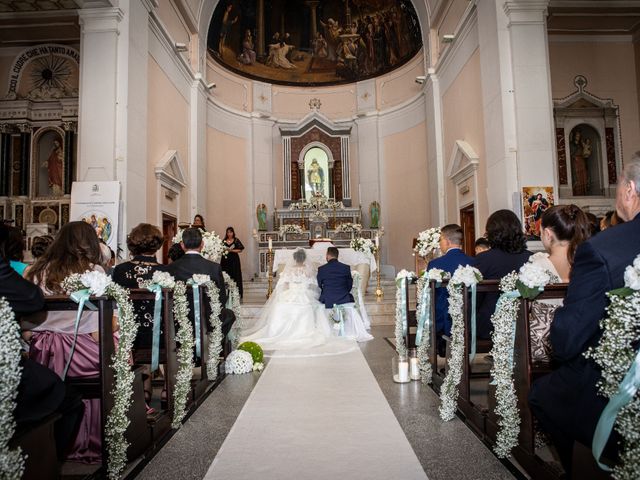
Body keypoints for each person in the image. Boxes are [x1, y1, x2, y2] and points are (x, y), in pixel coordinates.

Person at [529, 155, 640, 475]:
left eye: (619, 183)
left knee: (542, 395)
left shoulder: (604, 248)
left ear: (630, 189)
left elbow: (566, 339)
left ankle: (586, 467)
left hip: (619, 375)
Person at [24, 221, 117, 464]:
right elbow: (98, 333)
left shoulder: (35, 271)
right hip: (82, 355)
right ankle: (93, 438)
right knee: (116, 347)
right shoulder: (93, 271)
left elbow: (25, 329)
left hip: (44, 355)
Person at [0, 234, 83, 462]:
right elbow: (31, 299)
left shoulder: (34, 270)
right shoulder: (88, 270)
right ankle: (42, 463)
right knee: (65, 399)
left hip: (39, 345)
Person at [240, 249, 344, 352]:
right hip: (304, 296)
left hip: (291, 294)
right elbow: (314, 286)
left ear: (294, 259)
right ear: (304, 259)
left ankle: (278, 332)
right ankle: (304, 332)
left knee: (280, 306)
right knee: (310, 307)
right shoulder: (308, 271)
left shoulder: (289, 270)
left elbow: (284, 285)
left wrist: (288, 292)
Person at [112, 223, 165, 409]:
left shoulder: (119, 271)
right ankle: (161, 386)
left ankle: (145, 385)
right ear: (157, 245)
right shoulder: (165, 272)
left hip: (128, 335)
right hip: (158, 336)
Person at [528, 205, 591, 362]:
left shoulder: (537, 266)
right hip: (584, 341)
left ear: (548, 234)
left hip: (543, 345)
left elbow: (523, 309)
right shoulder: (589, 264)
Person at [472, 210, 532, 340]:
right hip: (524, 321)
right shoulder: (531, 258)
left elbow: (474, 296)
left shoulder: (484, 259)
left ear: (492, 233)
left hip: (491, 323)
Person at [165, 228, 234, 338]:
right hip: (207, 319)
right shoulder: (214, 267)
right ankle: (214, 345)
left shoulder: (171, 268)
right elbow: (221, 298)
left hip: (179, 319)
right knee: (229, 314)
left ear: (182, 245)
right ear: (202, 245)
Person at [426, 225, 473, 357]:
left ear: (446, 241)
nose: (440, 244)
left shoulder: (435, 264)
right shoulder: (473, 262)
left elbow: (429, 294)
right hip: (469, 317)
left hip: (442, 318)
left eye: (440, 240)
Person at [317, 247, 372, 342]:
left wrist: (328, 292)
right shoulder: (346, 268)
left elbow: (319, 285)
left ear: (328, 255)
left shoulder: (322, 269)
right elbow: (349, 285)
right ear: (337, 256)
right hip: (343, 298)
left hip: (328, 299)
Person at [221, 226, 244, 299]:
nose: (229, 233)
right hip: (225, 260)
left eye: (231, 232)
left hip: (234, 260)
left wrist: (231, 250)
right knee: (226, 275)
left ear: (233, 233)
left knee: (235, 275)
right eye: (228, 232)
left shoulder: (236, 240)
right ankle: (227, 293)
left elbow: (240, 249)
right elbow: (220, 249)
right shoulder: (224, 241)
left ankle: (236, 293)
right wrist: (224, 250)